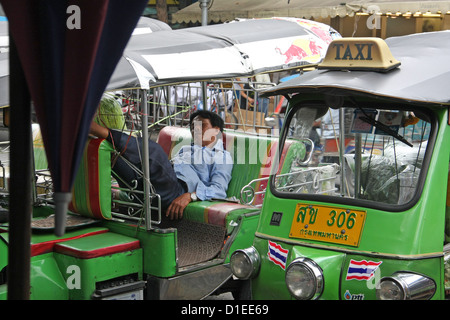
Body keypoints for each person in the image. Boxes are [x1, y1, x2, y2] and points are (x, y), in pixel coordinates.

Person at [89, 110, 233, 221]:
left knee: (155, 150)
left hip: (176, 190)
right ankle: (87, 137)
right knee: (113, 157)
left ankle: (96, 129)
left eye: (202, 125)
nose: (195, 129)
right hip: (149, 186)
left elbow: (219, 190)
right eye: (193, 126)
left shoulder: (221, 156)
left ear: (216, 130)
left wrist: (190, 196)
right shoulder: (186, 149)